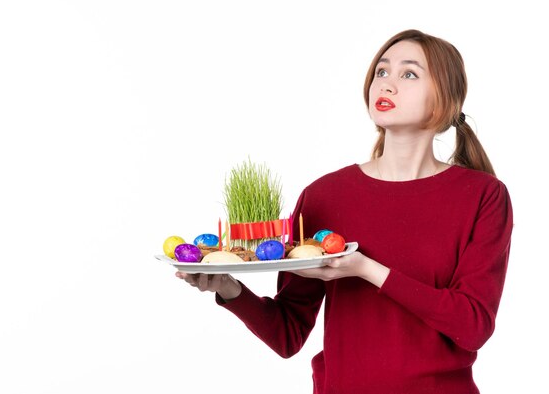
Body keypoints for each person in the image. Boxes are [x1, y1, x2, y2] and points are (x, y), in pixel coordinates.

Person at [176, 29, 514, 394]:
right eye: (381, 72)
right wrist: (229, 289)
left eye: (409, 74)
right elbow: (287, 335)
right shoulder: (324, 196)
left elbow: (473, 325)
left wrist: (366, 269)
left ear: (444, 99)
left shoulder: (482, 196)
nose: (386, 84)